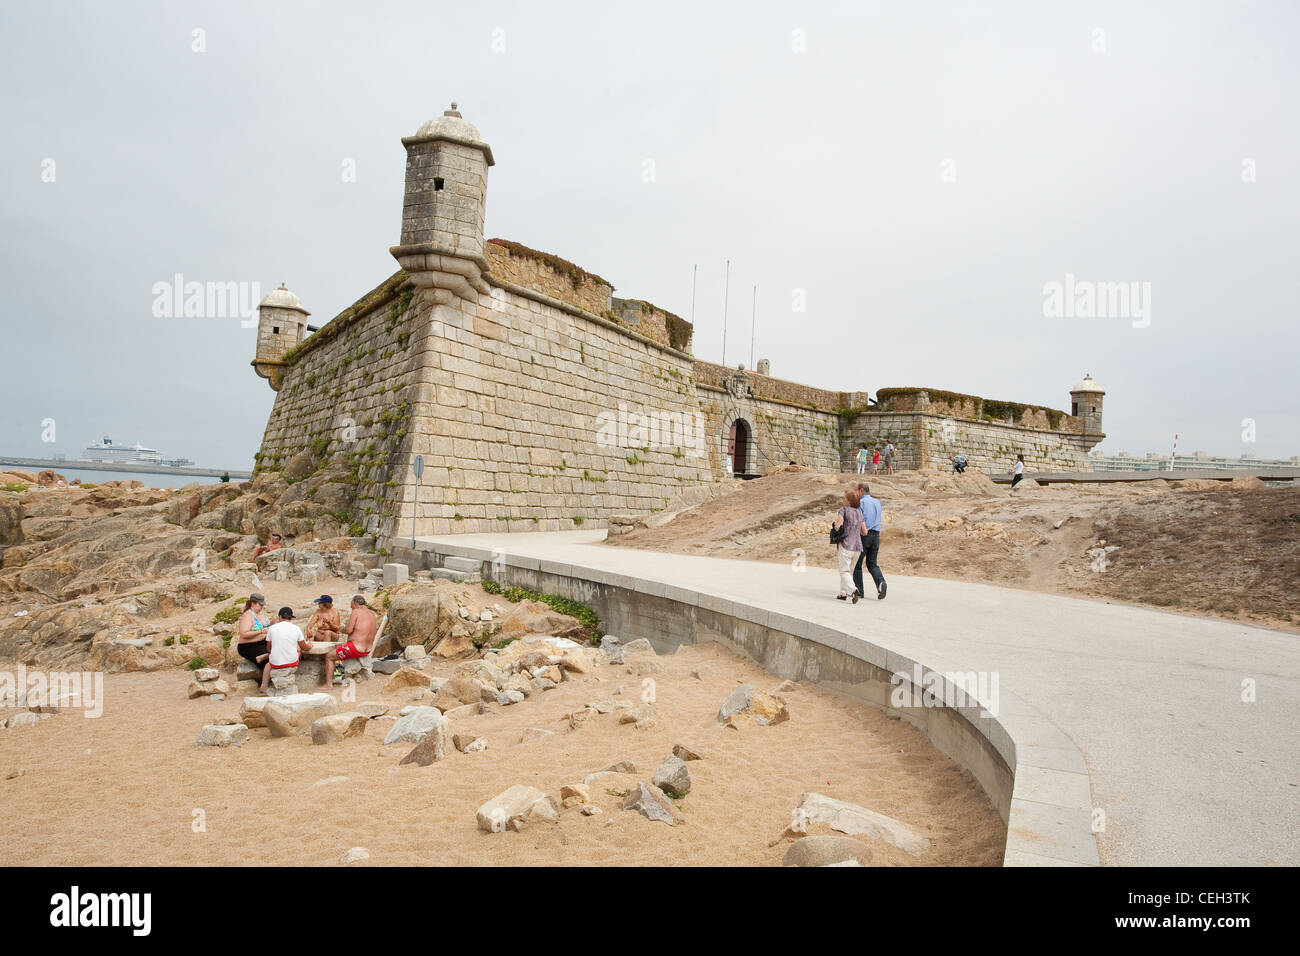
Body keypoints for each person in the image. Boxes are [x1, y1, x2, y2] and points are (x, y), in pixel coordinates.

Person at [322, 596, 378, 689]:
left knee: (329, 656)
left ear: (355, 604)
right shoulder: (371, 614)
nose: (351, 608)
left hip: (355, 648)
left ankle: (329, 684)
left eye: (351, 606)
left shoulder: (356, 612)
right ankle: (338, 676)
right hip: (367, 649)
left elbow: (349, 630)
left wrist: (342, 628)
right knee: (339, 651)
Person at [260, 607, 311, 693]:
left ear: (280, 617)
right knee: (298, 650)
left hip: (275, 663)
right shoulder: (296, 628)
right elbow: (304, 647)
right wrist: (310, 645)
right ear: (291, 618)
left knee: (269, 663)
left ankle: (264, 686)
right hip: (291, 662)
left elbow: (269, 648)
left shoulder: (272, 628)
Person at [830, 488, 866, 603]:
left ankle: (853, 590)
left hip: (846, 544)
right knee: (849, 572)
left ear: (849, 501)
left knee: (844, 571)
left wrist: (835, 525)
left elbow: (839, 525)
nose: (843, 500)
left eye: (845, 498)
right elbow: (864, 532)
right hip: (858, 546)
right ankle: (843, 593)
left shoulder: (843, 510)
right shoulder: (860, 513)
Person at [853, 482, 887, 600]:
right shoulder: (877, 502)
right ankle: (880, 582)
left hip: (864, 535)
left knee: (857, 563)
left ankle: (859, 590)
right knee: (872, 563)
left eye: (856, 490)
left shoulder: (861, 503)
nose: (855, 493)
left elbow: (858, 520)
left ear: (861, 490)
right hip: (876, 535)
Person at [234, 594, 272, 667]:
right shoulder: (248, 615)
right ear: (253, 603)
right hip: (248, 645)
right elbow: (243, 634)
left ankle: (265, 656)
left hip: (262, 642)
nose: (262, 607)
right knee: (271, 660)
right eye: (260, 605)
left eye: (262, 605)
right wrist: (261, 631)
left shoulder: (261, 614)